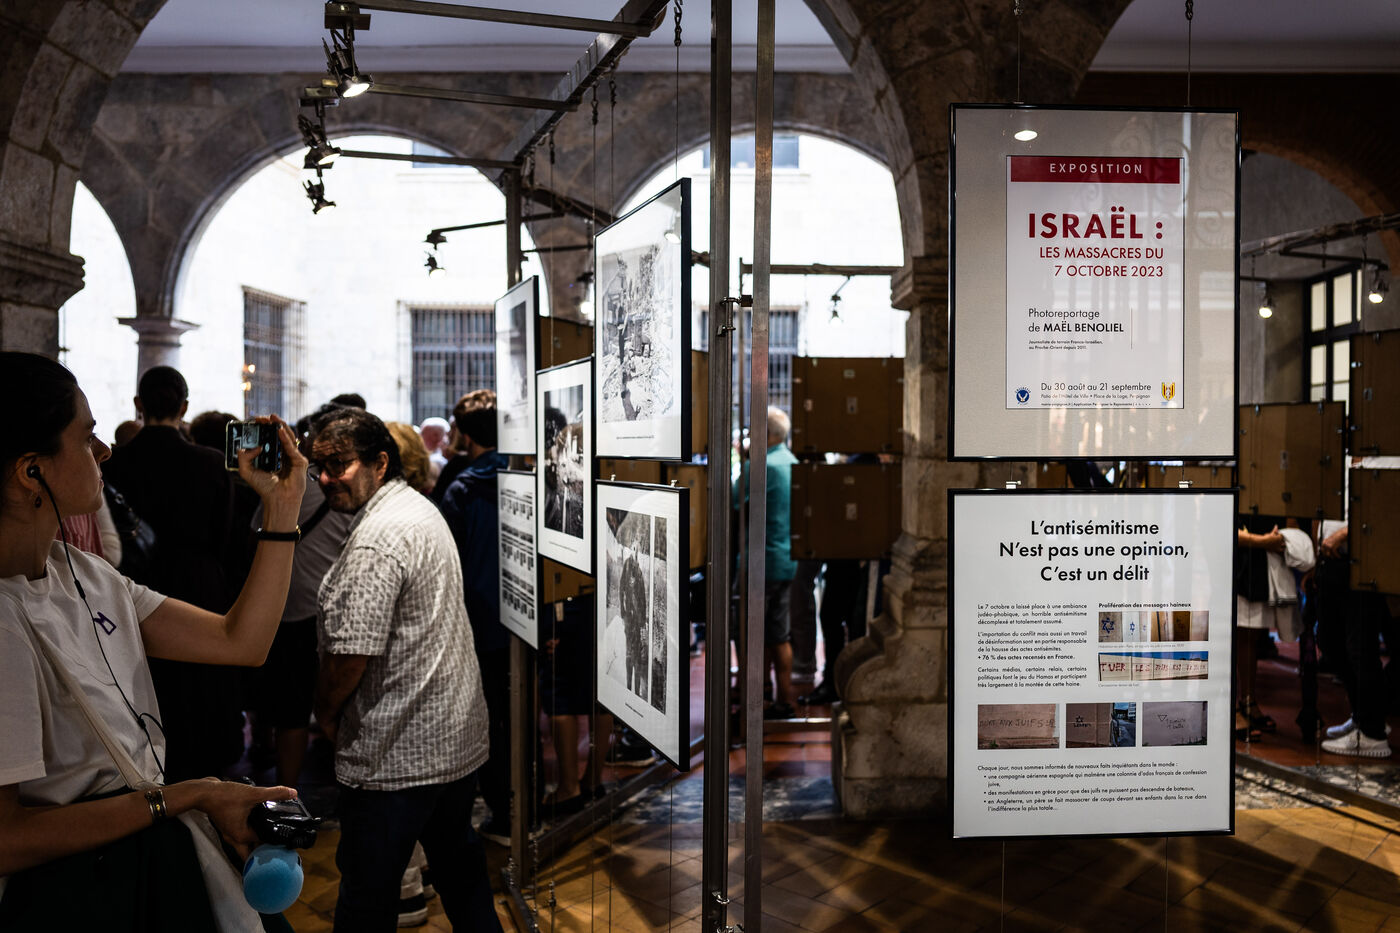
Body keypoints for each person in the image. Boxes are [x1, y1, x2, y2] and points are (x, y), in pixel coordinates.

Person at [0, 351, 306, 930]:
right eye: (86, 437)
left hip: (138, 855)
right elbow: (7, 838)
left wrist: (282, 506)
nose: (104, 450)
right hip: (77, 894)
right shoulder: (4, 619)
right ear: (30, 471)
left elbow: (241, 641)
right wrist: (192, 794)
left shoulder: (83, 572)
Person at [308, 406, 500, 932]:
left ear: (380, 462)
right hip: (448, 734)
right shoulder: (415, 506)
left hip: (397, 750)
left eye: (339, 464)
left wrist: (327, 715)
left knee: (366, 899)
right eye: (319, 467)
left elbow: (350, 655)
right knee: (461, 873)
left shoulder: (377, 538)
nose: (325, 478)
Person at [101, 365, 245, 781]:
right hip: (199, 581)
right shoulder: (210, 462)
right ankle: (206, 771)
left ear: (138, 404)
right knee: (202, 678)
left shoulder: (116, 462)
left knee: (147, 677)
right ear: (184, 407)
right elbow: (224, 534)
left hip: (135, 582)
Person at [438, 389, 512, 842]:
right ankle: (519, 808)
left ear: (465, 434)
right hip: (520, 617)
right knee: (518, 713)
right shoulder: (524, 475)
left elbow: (449, 562)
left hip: (476, 619)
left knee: (486, 720)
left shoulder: (461, 488)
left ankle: (502, 810)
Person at [735, 406, 799, 720]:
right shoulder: (792, 462)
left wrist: (744, 461)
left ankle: (755, 701)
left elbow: (733, 498)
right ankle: (785, 699)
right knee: (778, 634)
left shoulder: (760, 466)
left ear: (766, 434)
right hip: (786, 559)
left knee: (750, 634)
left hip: (760, 561)